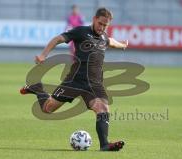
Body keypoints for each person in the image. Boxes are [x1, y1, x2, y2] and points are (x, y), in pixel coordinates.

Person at [20, 7, 128, 151]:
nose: (102, 27)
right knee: (48, 108)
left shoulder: (104, 38)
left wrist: (123, 45)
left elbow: (112, 41)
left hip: (95, 84)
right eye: (100, 23)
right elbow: (58, 38)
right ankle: (38, 89)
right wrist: (43, 55)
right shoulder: (81, 32)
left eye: (105, 25)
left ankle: (104, 145)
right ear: (95, 19)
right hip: (75, 81)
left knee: (103, 109)